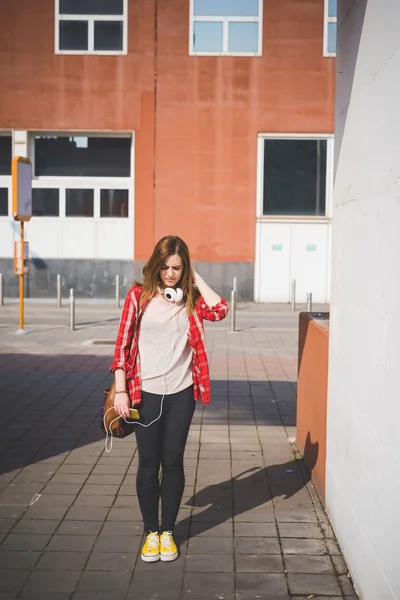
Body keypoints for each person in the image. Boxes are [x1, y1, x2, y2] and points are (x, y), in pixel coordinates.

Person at [110, 235, 228, 563]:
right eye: (165, 266)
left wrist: (197, 278)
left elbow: (220, 310)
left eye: (177, 267)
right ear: (156, 265)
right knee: (149, 464)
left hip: (181, 393)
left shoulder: (190, 298)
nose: (171, 273)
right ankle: (150, 532)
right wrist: (121, 389)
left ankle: (167, 532)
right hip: (143, 393)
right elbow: (121, 347)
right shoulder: (138, 296)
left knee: (173, 462)